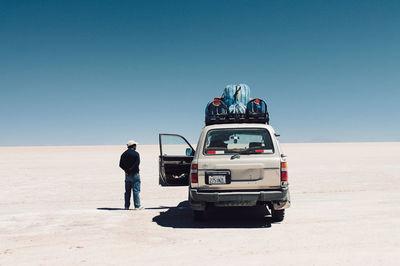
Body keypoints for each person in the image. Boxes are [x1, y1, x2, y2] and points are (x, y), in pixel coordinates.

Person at [119, 140, 142, 210]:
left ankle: (126, 206)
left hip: (127, 175)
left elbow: (120, 164)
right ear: (133, 146)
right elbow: (137, 164)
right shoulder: (136, 154)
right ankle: (137, 206)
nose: (136, 147)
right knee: (136, 190)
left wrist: (126, 170)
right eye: (135, 145)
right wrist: (131, 170)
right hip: (135, 174)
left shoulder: (123, 154)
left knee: (127, 191)